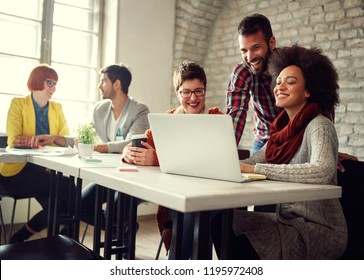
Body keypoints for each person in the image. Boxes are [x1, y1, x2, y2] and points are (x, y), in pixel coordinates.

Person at [211, 45, 348, 259]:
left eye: (290, 82)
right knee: (220, 219)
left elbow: (322, 170)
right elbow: (252, 160)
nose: (279, 86)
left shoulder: (319, 125)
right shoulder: (281, 131)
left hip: (320, 229)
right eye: (278, 81)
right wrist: (213, 163)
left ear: (308, 90)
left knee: (232, 231)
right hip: (287, 222)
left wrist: (257, 169)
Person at [226, 14, 357, 169]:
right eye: (244, 51)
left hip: (300, 137)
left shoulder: (295, 62)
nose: (250, 57)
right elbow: (235, 115)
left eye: (256, 48)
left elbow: (324, 100)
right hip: (266, 140)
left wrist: (326, 148)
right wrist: (223, 155)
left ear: (272, 42)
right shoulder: (242, 72)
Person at [122, 60, 223, 259]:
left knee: (192, 211)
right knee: (123, 199)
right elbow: (141, 141)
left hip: (211, 198)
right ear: (177, 93)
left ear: (205, 91)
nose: (193, 98)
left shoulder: (216, 118)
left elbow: (208, 161)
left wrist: (157, 158)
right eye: (186, 92)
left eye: (198, 91)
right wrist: (129, 152)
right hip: (176, 197)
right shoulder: (167, 119)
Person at [0, 64, 75, 243]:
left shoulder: (57, 108)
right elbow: (14, 139)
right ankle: (68, 236)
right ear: (37, 81)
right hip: (14, 173)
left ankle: (19, 238)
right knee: (67, 188)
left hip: (43, 173)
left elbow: (66, 139)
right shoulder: (18, 104)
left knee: (57, 208)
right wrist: (36, 140)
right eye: (50, 82)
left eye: (55, 84)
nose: (54, 88)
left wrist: (50, 138)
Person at [79, 64, 149, 236]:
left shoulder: (140, 110)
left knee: (116, 207)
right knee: (79, 204)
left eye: (103, 81)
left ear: (117, 84)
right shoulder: (99, 108)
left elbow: (131, 143)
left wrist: (98, 147)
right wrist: (60, 139)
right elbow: (86, 136)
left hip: (133, 175)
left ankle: (120, 231)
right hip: (109, 174)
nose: (99, 86)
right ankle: (123, 228)